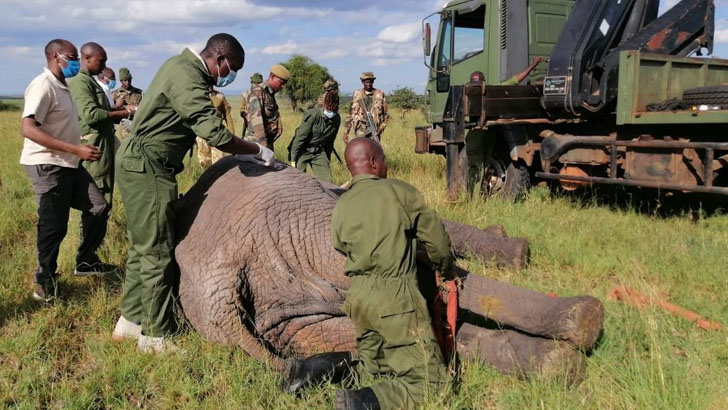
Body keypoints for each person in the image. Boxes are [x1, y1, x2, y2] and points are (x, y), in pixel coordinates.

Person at [113, 33, 275, 353]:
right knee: (158, 251)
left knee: (145, 245)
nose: (231, 76)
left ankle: (130, 322)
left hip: (145, 164)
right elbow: (212, 131)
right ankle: (156, 336)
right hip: (148, 167)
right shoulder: (187, 75)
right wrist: (254, 149)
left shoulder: (181, 67)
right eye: (232, 68)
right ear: (219, 58)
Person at [281, 138, 453, 410]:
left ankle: (310, 371)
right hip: (395, 296)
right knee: (432, 384)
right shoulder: (400, 192)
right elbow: (438, 242)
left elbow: (340, 245)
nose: (386, 164)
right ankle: (361, 403)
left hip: (359, 298)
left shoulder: (343, 204)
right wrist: (446, 269)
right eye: (383, 158)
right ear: (373, 162)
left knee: (375, 369)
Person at [19, 39, 110, 302]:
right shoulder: (42, 85)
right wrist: (74, 149)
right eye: (72, 56)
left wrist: (75, 148)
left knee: (98, 206)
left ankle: (86, 261)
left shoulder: (63, 86)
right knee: (53, 225)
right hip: (48, 164)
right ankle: (44, 282)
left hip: (68, 161)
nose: (76, 62)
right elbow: (28, 128)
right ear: (56, 56)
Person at [69, 43, 133, 222]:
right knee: (97, 201)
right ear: (87, 58)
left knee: (104, 200)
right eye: (101, 61)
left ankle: (94, 245)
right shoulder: (80, 82)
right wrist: (124, 112)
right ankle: (89, 248)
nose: (103, 65)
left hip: (103, 146)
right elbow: (90, 115)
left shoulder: (89, 81)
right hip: (94, 148)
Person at [465, 58, 543, 197]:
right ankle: (476, 196)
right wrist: (532, 66)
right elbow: (515, 80)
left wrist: (532, 65)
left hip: (478, 136)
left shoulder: (467, 94)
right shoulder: (494, 91)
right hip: (489, 135)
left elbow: (515, 80)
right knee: (480, 166)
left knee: (476, 167)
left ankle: (472, 199)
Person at [287, 87, 341, 182]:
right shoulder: (313, 115)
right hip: (303, 150)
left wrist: (326, 161)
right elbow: (300, 137)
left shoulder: (336, 119)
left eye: (334, 111)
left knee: (327, 181)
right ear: (324, 105)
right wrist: (293, 160)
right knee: (298, 180)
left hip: (318, 151)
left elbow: (330, 142)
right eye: (329, 109)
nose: (331, 113)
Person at [243, 64, 289, 150]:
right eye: (281, 82)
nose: (283, 86)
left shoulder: (270, 93)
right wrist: (263, 145)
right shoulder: (259, 92)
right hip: (256, 143)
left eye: (285, 84)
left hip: (266, 141)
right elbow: (257, 121)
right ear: (272, 77)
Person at [343, 72, 389, 143]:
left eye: (370, 82)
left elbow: (386, 115)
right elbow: (350, 114)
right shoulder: (357, 94)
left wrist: (380, 128)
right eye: (366, 82)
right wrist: (346, 132)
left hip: (375, 129)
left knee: (374, 151)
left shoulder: (379, 94)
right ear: (362, 82)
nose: (368, 84)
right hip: (360, 128)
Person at [196, 88, 235, 169]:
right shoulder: (197, 95)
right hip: (201, 135)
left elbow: (227, 115)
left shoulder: (219, 96)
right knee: (204, 163)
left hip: (217, 134)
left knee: (219, 163)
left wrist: (232, 134)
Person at [112, 67, 143, 139]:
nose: (127, 82)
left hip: (136, 126)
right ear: (121, 81)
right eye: (125, 80)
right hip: (122, 129)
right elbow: (111, 110)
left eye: (129, 80)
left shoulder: (139, 92)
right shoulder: (115, 94)